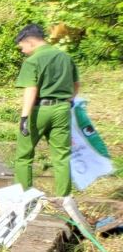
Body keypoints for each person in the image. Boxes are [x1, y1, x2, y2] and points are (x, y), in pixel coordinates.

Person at [12, 23, 89, 226]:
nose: (22, 51)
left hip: (39, 110)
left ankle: (24, 196)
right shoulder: (65, 57)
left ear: (30, 42)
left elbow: (31, 88)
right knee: (62, 155)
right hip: (62, 109)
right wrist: (68, 102)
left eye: (22, 47)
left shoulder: (33, 60)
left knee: (24, 156)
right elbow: (76, 84)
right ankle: (64, 198)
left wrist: (24, 117)